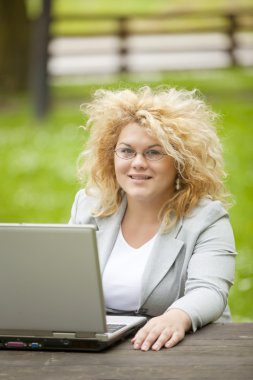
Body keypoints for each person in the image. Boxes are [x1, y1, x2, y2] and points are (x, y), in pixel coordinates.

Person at [69, 86, 236, 351]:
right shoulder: (89, 205)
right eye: (126, 151)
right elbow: (68, 280)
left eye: (154, 152)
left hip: (183, 349)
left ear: (181, 161)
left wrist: (176, 317)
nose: (137, 163)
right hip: (101, 346)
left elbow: (210, 290)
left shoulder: (206, 218)